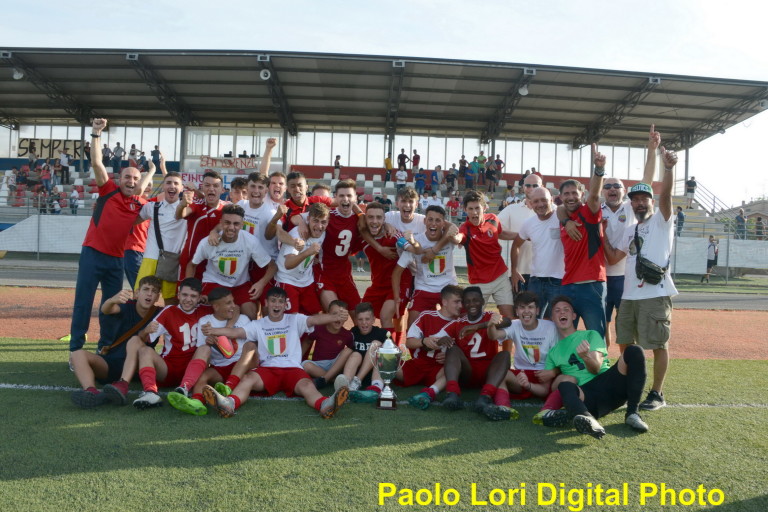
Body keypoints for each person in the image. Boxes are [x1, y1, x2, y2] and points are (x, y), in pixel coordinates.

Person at [603, 126, 679, 412]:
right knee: (625, 343)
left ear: (651, 200)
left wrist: (667, 168)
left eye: (643, 198)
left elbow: (666, 195)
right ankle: (629, 385)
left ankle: (657, 393)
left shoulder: (662, 221)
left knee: (658, 344)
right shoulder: (631, 227)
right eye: (634, 199)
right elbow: (614, 256)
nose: (639, 202)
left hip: (655, 294)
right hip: (629, 295)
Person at [66, 119, 156, 356]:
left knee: (111, 306)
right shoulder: (108, 191)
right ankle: (75, 350)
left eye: (135, 179)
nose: (132, 181)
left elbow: (160, 202)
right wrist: (96, 133)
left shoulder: (139, 204)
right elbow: (96, 162)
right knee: (83, 303)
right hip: (92, 255)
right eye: (127, 177)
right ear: (120, 178)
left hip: (116, 261)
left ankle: (104, 348)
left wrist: (156, 173)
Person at [200, 287, 351, 419]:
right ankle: (229, 404)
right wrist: (213, 331)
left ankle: (325, 405)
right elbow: (236, 332)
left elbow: (315, 320)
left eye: (280, 301)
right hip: (268, 369)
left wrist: (334, 316)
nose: (277, 305)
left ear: (286, 305)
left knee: (307, 385)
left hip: (292, 368)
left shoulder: (295, 319)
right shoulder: (258, 324)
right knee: (247, 378)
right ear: (266, 303)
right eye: (273, 301)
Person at [540, 296, 649, 438]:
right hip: (588, 398)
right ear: (552, 318)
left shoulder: (590, 334)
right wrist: (556, 374)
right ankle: (588, 420)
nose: (562, 313)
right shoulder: (553, 352)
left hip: (610, 383)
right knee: (565, 385)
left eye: (566, 310)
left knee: (634, 350)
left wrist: (585, 356)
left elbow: (596, 368)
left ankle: (632, 413)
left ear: (573, 316)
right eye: (557, 311)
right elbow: (552, 390)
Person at [69, 276, 162, 408]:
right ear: (137, 293)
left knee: (135, 340)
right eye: (146, 289)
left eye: (154, 291)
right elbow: (106, 309)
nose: (149, 294)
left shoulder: (159, 313)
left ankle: (123, 385)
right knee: (77, 354)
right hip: (112, 363)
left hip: (137, 367)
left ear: (157, 297)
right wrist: (112, 300)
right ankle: (92, 392)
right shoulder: (127, 306)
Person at [166, 286, 252, 416]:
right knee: (202, 372)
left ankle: (229, 386)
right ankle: (197, 402)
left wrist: (220, 332)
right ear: (216, 307)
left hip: (241, 365)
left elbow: (244, 343)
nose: (233, 306)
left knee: (251, 346)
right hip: (220, 367)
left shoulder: (243, 319)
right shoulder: (205, 321)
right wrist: (210, 343)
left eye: (233, 301)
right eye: (228, 303)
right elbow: (204, 354)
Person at [187, 204, 276, 319]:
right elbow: (191, 265)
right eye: (227, 222)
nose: (231, 227)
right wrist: (190, 290)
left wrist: (261, 283)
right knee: (211, 313)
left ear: (242, 225)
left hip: (240, 285)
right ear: (221, 223)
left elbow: (272, 266)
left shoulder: (250, 241)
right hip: (214, 282)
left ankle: (244, 336)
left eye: (236, 224)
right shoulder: (208, 242)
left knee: (251, 314)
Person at [432, 287, 511, 416]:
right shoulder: (458, 323)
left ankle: (485, 397)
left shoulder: (490, 315)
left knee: (505, 355)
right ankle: (452, 394)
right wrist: (441, 340)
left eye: (475, 300)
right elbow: (436, 338)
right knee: (452, 349)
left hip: (488, 372)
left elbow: (507, 321)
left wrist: (477, 326)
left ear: (482, 301)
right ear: (463, 304)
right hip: (467, 371)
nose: (471, 304)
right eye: (467, 301)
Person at [557, 144, 608, 339]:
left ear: (582, 195)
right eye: (566, 194)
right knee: (566, 336)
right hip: (568, 284)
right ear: (560, 197)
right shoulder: (561, 216)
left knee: (595, 335)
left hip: (591, 284)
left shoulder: (589, 212)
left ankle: (599, 369)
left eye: (574, 193)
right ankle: (570, 370)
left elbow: (595, 194)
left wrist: (599, 170)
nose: (570, 197)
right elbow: (559, 211)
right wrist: (566, 220)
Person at [483, 291, 559, 420]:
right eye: (522, 307)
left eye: (530, 307)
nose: (526, 311)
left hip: (543, 374)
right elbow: (494, 335)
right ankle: (503, 408)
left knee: (555, 382)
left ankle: (547, 411)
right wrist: (491, 325)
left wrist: (551, 372)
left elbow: (558, 358)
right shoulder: (515, 324)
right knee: (500, 374)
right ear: (517, 311)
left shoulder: (550, 327)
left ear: (537, 310)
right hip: (520, 374)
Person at [391, 206, 459, 328]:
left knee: (460, 322)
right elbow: (397, 271)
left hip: (449, 287)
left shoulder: (449, 238)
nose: (433, 224)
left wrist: (434, 250)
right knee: (412, 326)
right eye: (430, 219)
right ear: (424, 221)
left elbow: (456, 234)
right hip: (424, 288)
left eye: (438, 220)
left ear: (444, 223)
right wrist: (396, 297)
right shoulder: (416, 241)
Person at [454, 190, 516, 318]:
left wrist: (521, 236)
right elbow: (459, 238)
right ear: (465, 209)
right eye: (470, 209)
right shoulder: (465, 228)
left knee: (509, 318)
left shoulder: (493, 219)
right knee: (473, 319)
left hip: (500, 277)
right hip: (479, 282)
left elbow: (501, 233)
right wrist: (454, 237)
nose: (474, 212)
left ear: (484, 208)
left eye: (477, 208)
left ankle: (506, 338)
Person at [400, 285, 463, 410]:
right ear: (444, 302)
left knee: (452, 372)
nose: (460, 306)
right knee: (384, 360)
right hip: (418, 365)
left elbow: (464, 353)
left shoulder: (461, 323)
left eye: (461, 302)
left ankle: (429, 393)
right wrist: (424, 341)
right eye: (456, 301)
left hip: (438, 370)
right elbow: (409, 342)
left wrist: (450, 358)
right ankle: (376, 387)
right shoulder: (426, 316)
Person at [134, 169, 187, 304]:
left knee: (170, 301)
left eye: (176, 183)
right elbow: (130, 221)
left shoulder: (188, 210)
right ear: (163, 186)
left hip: (172, 260)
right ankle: (140, 326)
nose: (172, 186)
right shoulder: (151, 207)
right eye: (168, 183)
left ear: (181, 188)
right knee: (139, 297)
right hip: (150, 258)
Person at [510, 187, 564, 318]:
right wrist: (514, 270)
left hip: (559, 281)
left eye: (544, 200)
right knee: (532, 320)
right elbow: (516, 244)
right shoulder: (528, 223)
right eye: (536, 201)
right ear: (530, 203)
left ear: (551, 199)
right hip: (536, 281)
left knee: (557, 322)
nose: (540, 204)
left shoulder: (562, 217)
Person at [274, 202, 329, 315]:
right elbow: (288, 264)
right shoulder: (297, 234)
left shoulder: (322, 233)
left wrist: (312, 258)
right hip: (287, 280)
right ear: (308, 219)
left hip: (306, 280)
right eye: (315, 221)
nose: (319, 226)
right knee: (292, 319)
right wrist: (308, 253)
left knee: (316, 316)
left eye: (323, 222)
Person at [601, 176, 637, 348]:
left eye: (617, 186)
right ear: (602, 191)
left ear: (624, 191)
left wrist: (652, 152)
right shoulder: (596, 209)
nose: (612, 189)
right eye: (607, 186)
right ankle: (605, 365)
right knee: (603, 324)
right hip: (600, 277)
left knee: (624, 325)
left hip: (625, 277)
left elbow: (647, 180)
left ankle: (626, 366)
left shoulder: (630, 207)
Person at [176, 170, 226, 282]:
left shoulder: (227, 208)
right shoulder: (196, 205)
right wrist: (182, 205)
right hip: (191, 262)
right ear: (202, 188)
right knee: (186, 297)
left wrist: (215, 231)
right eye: (207, 185)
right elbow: (180, 215)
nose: (211, 189)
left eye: (215, 186)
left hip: (215, 266)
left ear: (222, 190)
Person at [499, 173, 541, 293]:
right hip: (519, 271)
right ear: (523, 187)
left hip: (545, 274)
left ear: (542, 186)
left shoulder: (554, 210)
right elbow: (495, 230)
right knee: (518, 311)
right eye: (528, 185)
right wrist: (522, 236)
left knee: (544, 312)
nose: (531, 188)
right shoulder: (511, 210)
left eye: (535, 185)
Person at [301, 300, 354, 389]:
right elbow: (307, 342)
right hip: (318, 365)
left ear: (346, 317)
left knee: (348, 351)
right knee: (305, 365)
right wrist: (297, 360)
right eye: (334, 314)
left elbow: (351, 353)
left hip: (336, 364)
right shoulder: (318, 328)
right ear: (328, 315)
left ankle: (324, 379)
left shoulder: (347, 334)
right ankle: (332, 380)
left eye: (341, 315)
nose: (338, 318)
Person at [341, 302, 390, 395]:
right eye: (360, 319)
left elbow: (392, 357)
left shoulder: (382, 333)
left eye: (367, 319)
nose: (364, 322)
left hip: (375, 373)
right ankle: (345, 386)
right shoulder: (353, 332)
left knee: (375, 344)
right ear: (355, 320)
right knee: (355, 354)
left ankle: (368, 384)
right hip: (354, 373)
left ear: (373, 319)